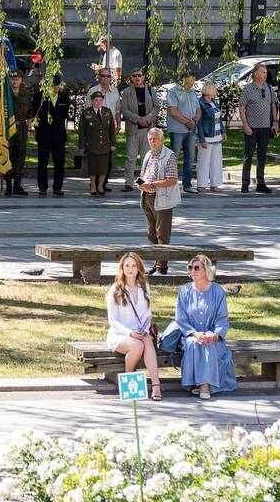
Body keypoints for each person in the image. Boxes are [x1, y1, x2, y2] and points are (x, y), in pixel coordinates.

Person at [176, 254, 236, 399]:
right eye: (190, 267)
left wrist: (215, 335)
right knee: (194, 343)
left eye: (197, 268)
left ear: (206, 270)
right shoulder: (184, 291)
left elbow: (222, 318)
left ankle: (203, 385)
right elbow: (181, 319)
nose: (193, 271)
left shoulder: (217, 291)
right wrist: (195, 334)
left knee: (208, 344)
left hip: (213, 334)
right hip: (190, 335)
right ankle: (201, 385)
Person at [106, 252, 162, 402]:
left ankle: (156, 385)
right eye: (127, 265)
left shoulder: (144, 286)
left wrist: (144, 329)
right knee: (137, 346)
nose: (130, 269)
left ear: (138, 268)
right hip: (120, 334)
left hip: (140, 331)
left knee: (148, 341)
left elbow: (147, 313)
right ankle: (128, 382)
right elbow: (113, 321)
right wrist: (130, 333)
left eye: (134, 265)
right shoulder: (115, 289)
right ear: (122, 268)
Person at [138, 128, 180, 275]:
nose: (152, 141)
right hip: (147, 198)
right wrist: (141, 184)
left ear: (162, 140)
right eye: (150, 139)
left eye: (155, 139)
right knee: (151, 234)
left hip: (162, 199)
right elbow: (143, 175)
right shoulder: (148, 154)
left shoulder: (169, 156)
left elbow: (173, 180)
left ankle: (162, 268)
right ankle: (156, 264)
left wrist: (153, 185)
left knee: (162, 234)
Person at [239, 63, 279, 193]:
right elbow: (242, 108)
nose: (265, 75)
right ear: (256, 74)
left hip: (265, 127)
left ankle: (261, 183)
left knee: (262, 156)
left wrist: (275, 121)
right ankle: (245, 184)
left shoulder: (268, 88)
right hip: (251, 127)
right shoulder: (248, 89)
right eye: (263, 72)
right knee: (248, 156)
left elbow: (273, 104)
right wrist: (245, 125)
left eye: (266, 73)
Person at [120, 69, 159, 192]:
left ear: (143, 77)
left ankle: (144, 181)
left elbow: (156, 107)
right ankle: (129, 182)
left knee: (146, 157)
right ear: (131, 78)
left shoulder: (150, 90)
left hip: (148, 129)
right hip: (133, 129)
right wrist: (138, 119)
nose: (137, 77)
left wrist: (147, 118)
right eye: (134, 75)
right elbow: (124, 110)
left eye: (139, 75)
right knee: (130, 157)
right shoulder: (127, 92)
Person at [33, 74, 71, 197]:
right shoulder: (39, 96)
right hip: (44, 134)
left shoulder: (64, 96)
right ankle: (42, 187)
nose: (55, 88)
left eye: (57, 85)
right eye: (52, 85)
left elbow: (65, 114)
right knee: (42, 162)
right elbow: (35, 114)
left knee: (59, 163)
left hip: (58, 134)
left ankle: (57, 187)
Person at [85, 68, 121, 191]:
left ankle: (103, 184)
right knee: (94, 158)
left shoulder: (115, 91)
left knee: (107, 157)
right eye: (103, 76)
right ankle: (93, 184)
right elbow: (87, 111)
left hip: (108, 128)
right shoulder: (92, 91)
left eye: (108, 76)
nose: (106, 78)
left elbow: (117, 110)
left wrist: (118, 125)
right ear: (99, 77)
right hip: (94, 128)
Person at [166, 71, 201, 194]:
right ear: (183, 80)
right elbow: (173, 111)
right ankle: (171, 184)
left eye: (193, 81)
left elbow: (198, 109)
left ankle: (187, 184)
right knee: (173, 157)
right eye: (190, 80)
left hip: (191, 130)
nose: (192, 83)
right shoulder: (173, 92)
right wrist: (187, 122)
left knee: (190, 157)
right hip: (177, 130)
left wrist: (195, 120)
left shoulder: (192, 92)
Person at [80, 90, 116, 196]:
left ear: (103, 101)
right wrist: (82, 145)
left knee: (103, 167)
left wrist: (113, 144)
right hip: (92, 144)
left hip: (105, 144)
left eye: (100, 100)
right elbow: (81, 131)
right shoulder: (86, 112)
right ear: (92, 101)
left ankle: (100, 186)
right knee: (93, 167)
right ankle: (92, 185)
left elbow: (112, 130)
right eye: (96, 100)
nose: (98, 102)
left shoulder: (107, 112)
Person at [4, 69, 32, 197]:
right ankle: (8, 186)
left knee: (20, 156)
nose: (15, 81)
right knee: (8, 156)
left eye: (17, 79)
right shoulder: (4, 94)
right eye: (13, 79)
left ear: (21, 80)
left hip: (21, 128)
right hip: (8, 128)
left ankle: (17, 185)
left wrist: (29, 129)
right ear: (10, 80)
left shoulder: (26, 94)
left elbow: (29, 114)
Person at [195, 82, 226, 192]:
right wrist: (202, 139)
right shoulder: (201, 103)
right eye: (214, 89)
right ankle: (201, 185)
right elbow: (199, 123)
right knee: (204, 162)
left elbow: (219, 118)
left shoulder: (214, 102)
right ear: (208, 90)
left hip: (217, 137)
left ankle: (215, 184)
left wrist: (223, 131)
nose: (216, 90)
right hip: (207, 138)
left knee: (216, 161)